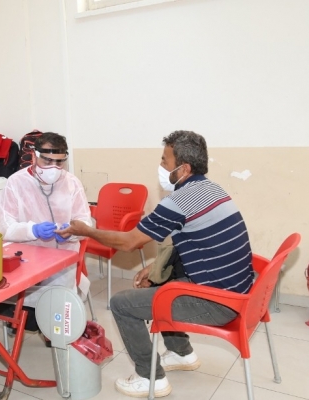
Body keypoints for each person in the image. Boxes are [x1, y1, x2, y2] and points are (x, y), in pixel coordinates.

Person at [57, 130, 254, 398]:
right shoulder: (211, 189)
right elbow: (194, 243)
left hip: (219, 303)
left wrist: (87, 231)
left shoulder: (179, 201)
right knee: (164, 280)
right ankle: (181, 353)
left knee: (122, 304)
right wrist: (156, 267)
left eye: (165, 160)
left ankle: (150, 378)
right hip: (238, 291)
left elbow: (129, 242)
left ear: (184, 169)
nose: (161, 166)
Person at [0, 132, 91, 332]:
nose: (53, 168)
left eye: (59, 162)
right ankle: (27, 321)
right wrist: (32, 230)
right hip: (27, 259)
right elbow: (5, 229)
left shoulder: (72, 183)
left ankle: (49, 327)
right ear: (34, 156)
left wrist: (71, 232)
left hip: (63, 259)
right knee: (18, 307)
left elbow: (85, 222)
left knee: (57, 311)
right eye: (47, 160)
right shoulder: (15, 183)